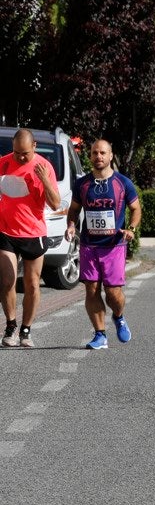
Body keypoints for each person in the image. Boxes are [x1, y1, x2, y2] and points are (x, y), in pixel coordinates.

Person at [65, 139, 142, 350]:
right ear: (89, 156)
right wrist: (72, 225)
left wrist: (131, 230)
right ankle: (100, 335)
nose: (98, 156)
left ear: (110, 156)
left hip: (114, 246)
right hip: (89, 246)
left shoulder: (123, 183)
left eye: (102, 153)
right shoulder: (82, 184)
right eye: (94, 153)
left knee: (113, 293)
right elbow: (73, 210)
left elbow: (136, 209)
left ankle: (118, 316)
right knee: (91, 290)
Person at [0, 129, 61, 348]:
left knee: (33, 284)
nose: (20, 157)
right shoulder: (4, 163)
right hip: (5, 231)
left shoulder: (45, 167)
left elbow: (55, 204)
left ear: (34, 146)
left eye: (24, 153)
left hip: (33, 233)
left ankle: (26, 329)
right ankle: (11, 326)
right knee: (7, 281)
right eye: (16, 152)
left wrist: (44, 180)